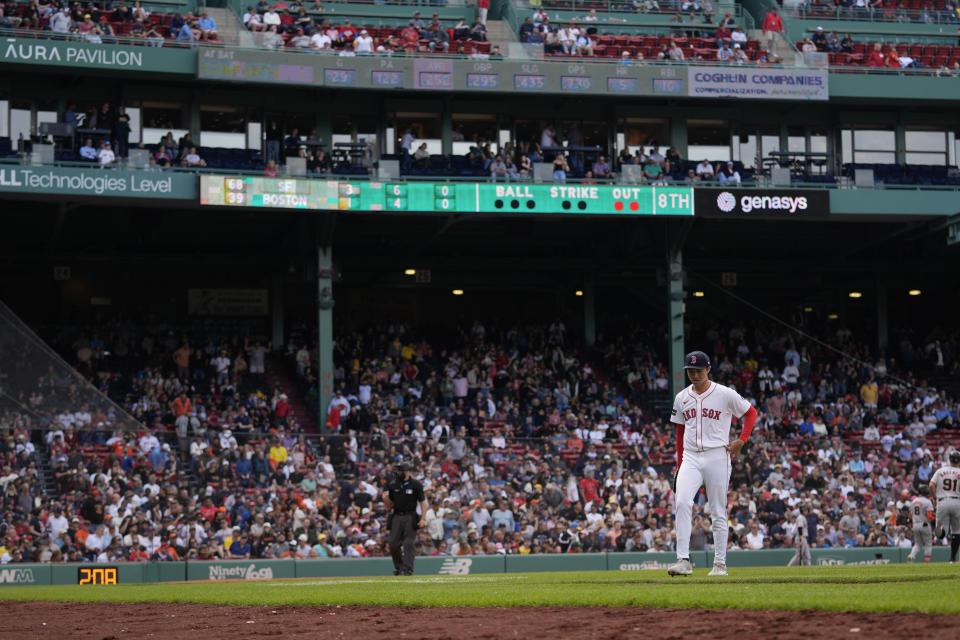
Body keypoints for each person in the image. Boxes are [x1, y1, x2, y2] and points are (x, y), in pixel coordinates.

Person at [667, 350, 758, 577]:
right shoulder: (682, 397)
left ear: (708, 369)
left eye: (699, 370)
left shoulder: (725, 393)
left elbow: (751, 413)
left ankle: (719, 564)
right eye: (690, 371)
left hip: (717, 455)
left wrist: (742, 440)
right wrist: (679, 466)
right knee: (682, 502)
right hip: (690, 457)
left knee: (717, 510)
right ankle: (683, 560)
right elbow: (679, 434)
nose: (695, 375)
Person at [384, 460, 427, 576]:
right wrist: (385, 499)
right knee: (393, 543)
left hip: (410, 516)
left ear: (407, 471)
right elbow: (391, 503)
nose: (397, 472)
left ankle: (408, 568)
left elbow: (422, 502)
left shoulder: (416, 484)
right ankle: (398, 566)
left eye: (400, 470)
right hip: (397, 516)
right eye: (397, 470)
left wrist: (423, 518)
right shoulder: (393, 484)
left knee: (408, 542)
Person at [929, 450, 960, 563]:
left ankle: (942, 533)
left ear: (949, 460)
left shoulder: (940, 470)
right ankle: (952, 558)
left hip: (942, 501)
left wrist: (935, 498)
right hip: (957, 502)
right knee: (957, 531)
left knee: (940, 533)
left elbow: (931, 485)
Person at [907, 486, 934, 563]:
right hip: (924, 524)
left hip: (915, 524)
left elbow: (910, 515)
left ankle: (911, 555)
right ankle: (926, 563)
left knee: (917, 544)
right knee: (928, 545)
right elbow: (930, 516)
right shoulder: (927, 502)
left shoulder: (913, 501)